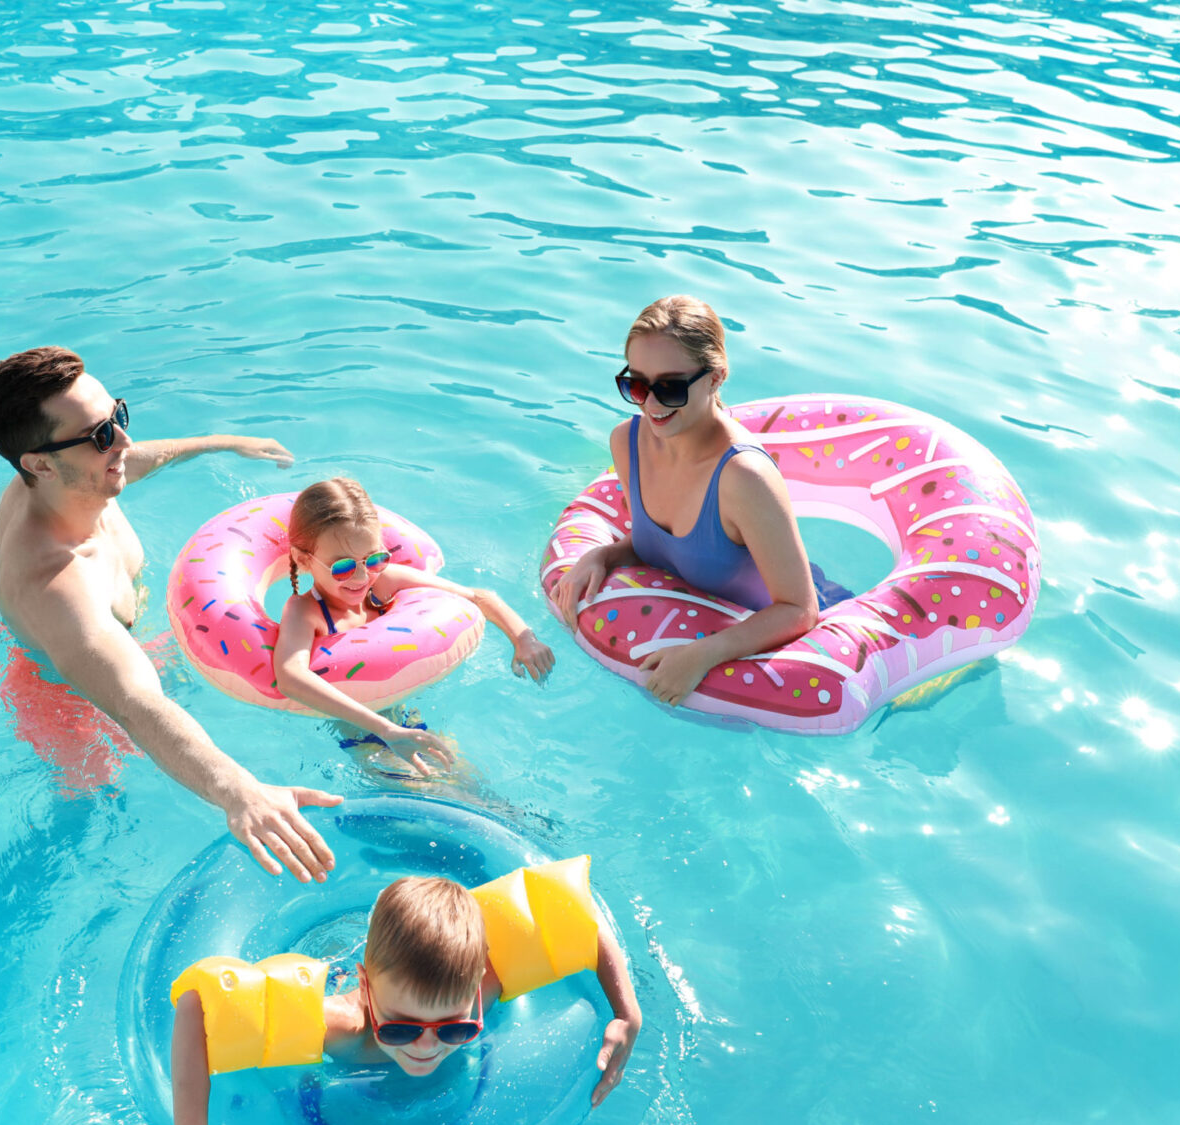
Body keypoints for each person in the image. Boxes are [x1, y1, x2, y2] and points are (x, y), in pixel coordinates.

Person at [0, 345, 340, 882]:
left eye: (118, 415)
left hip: (124, 640)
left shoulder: (83, 478)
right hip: (69, 698)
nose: (123, 441)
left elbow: (139, 457)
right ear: (40, 465)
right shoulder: (54, 585)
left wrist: (226, 443)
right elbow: (134, 703)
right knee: (93, 815)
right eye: (102, 435)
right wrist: (240, 791)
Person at [172, 873, 642, 1125]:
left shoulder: (487, 986)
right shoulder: (341, 1029)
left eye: (457, 1028)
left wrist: (627, 1013)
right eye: (399, 1028)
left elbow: (573, 916)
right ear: (366, 987)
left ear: (475, 991)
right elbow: (198, 1004)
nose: (427, 1046)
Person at [549, 295, 851, 706]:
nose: (650, 404)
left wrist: (704, 653)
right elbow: (662, 548)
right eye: (636, 384)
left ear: (715, 377)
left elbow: (800, 609)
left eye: (670, 387)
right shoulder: (628, 442)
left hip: (815, 638)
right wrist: (603, 557)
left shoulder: (743, 477)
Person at [271, 478, 555, 776]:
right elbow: (290, 677)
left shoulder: (384, 583)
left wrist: (524, 639)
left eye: (373, 559)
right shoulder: (306, 611)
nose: (360, 576)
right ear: (304, 559)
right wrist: (387, 731)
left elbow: (480, 597)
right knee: (435, 797)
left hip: (407, 718)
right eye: (342, 567)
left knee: (472, 786)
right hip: (362, 736)